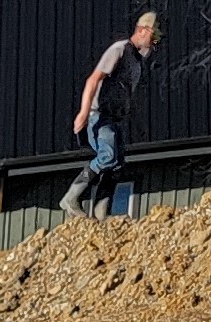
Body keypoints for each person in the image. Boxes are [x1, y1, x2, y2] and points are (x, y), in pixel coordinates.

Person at [64, 13, 158, 217]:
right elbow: (93, 80)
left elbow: (126, 94)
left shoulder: (137, 63)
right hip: (99, 115)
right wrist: (83, 112)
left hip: (116, 118)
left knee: (117, 165)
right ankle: (72, 197)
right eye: (153, 37)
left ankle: (101, 212)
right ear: (142, 30)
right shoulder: (119, 50)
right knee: (107, 156)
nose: (154, 43)